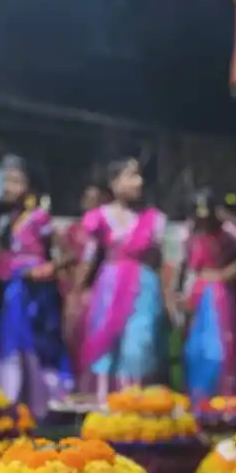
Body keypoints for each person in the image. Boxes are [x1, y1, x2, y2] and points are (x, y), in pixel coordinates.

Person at [75, 159, 169, 400]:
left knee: (139, 345)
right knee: (105, 346)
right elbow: (88, 259)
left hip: (143, 289)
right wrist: (77, 292)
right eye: (130, 176)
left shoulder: (154, 219)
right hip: (109, 287)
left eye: (139, 176)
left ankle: (132, 404)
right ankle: (102, 404)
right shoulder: (99, 217)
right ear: (114, 183)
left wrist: (168, 300)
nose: (138, 182)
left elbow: (160, 262)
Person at [0, 156, 73, 417]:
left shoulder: (40, 217)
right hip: (15, 289)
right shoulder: (6, 221)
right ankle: (13, 402)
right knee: (12, 342)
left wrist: (49, 268)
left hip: (37, 294)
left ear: (31, 186)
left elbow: (68, 253)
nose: (8, 187)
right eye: (6, 181)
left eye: (15, 181)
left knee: (37, 344)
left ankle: (41, 404)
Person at [182, 188, 236, 400]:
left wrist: (231, 271)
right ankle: (198, 399)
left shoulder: (226, 229)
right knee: (194, 350)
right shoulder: (190, 233)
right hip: (197, 293)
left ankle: (223, 398)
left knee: (219, 351)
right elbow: (188, 267)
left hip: (218, 293)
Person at [60, 182, 105, 390]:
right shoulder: (73, 230)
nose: (91, 202)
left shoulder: (104, 230)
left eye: (96, 198)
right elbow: (67, 256)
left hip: (95, 290)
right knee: (72, 338)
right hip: (74, 289)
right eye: (87, 198)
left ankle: (92, 385)